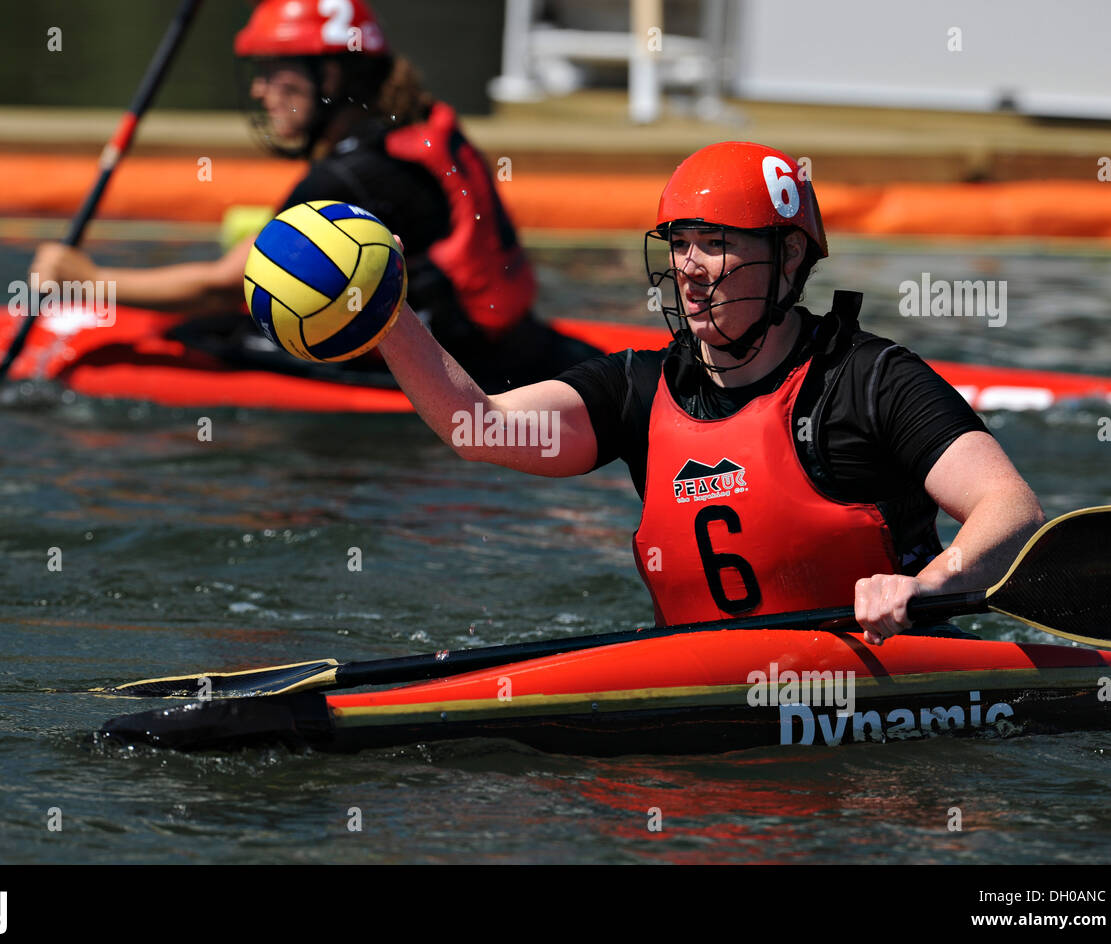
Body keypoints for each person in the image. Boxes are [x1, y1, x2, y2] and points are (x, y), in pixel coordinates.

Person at [376, 141, 1045, 643]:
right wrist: (387, 312)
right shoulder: (636, 389)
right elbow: (477, 428)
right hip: (704, 701)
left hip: (881, 692)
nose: (689, 271)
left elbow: (1010, 507)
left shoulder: (870, 380)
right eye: (679, 244)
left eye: (715, 245)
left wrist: (927, 586)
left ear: (787, 259)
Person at [27, 0, 596, 392]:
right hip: (516, 343)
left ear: (329, 78)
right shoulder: (417, 124)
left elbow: (227, 288)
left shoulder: (345, 179)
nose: (259, 88)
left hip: (457, 368)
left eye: (276, 71)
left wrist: (88, 278)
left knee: (199, 335)